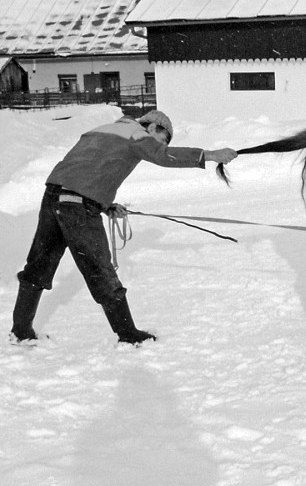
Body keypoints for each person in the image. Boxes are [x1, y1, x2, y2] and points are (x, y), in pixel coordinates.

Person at [10, 110, 238, 345]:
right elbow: (163, 156)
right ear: (153, 127)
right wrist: (210, 155)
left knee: (39, 264)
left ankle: (21, 330)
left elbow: (89, 168)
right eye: (163, 138)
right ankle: (128, 334)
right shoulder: (136, 133)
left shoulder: (103, 129)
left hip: (54, 196)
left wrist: (105, 205)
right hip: (77, 205)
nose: (159, 144)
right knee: (100, 269)